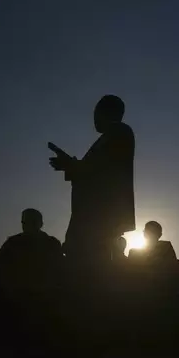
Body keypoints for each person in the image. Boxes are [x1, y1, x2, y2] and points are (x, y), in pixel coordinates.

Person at [49, 95, 135, 271]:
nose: (94, 118)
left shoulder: (119, 132)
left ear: (107, 112)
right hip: (94, 213)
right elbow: (93, 170)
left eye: (96, 113)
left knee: (90, 266)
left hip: (101, 213)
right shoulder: (109, 137)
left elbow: (102, 169)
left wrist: (71, 164)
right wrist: (70, 165)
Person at [0, 209, 63, 286]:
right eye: (25, 222)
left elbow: (60, 269)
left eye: (32, 222)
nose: (28, 225)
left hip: (43, 291)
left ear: (40, 224)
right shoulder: (12, 242)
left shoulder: (52, 243)